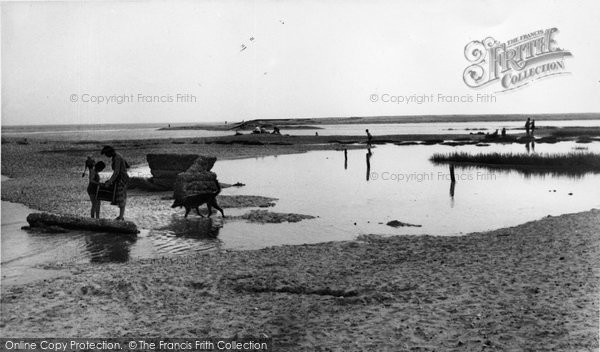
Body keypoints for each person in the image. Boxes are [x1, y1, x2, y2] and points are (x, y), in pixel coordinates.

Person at [101, 146, 130, 220]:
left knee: (120, 197)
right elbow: (127, 165)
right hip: (123, 178)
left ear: (110, 152)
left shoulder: (117, 158)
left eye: (106, 154)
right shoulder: (118, 155)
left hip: (121, 179)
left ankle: (121, 216)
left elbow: (116, 172)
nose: (106, 156)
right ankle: (121, 216)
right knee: (120, 196)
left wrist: (110, 181)